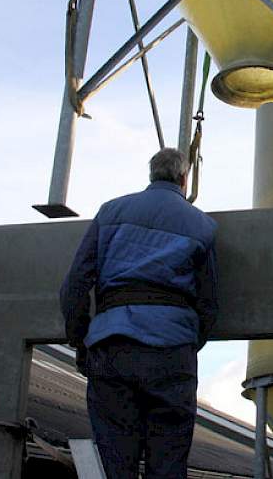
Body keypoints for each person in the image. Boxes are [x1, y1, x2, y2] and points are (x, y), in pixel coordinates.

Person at [59, 148, 218, 479]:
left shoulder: (111, 212)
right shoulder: (201, 225)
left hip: (113, 345)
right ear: (184, 178)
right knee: (169, 460)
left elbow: (75, 284)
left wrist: (81, 339)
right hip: (172, 351)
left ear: (151, 175)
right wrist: (187, 343)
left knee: (116, 461)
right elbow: (208, 302)